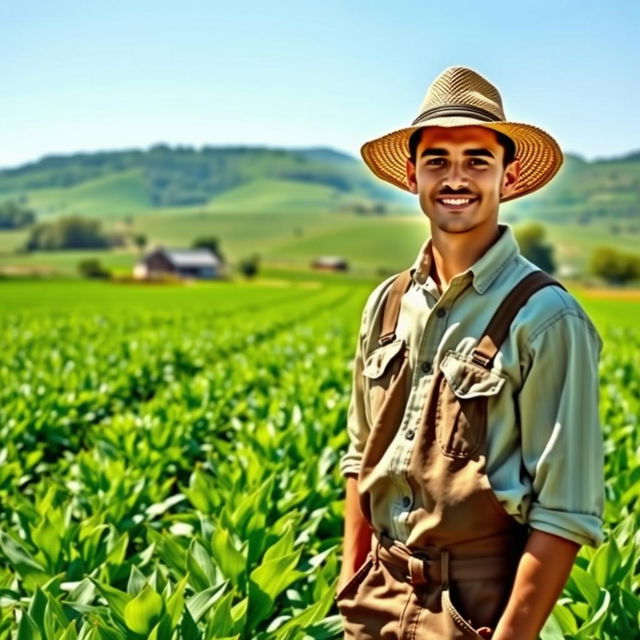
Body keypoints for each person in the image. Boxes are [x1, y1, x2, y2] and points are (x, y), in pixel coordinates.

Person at [335, 66, 605, 640]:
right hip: (374, 596)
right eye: (438, 160)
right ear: (413, 176)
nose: (456, 178)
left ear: (508, 177)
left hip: (478, 606)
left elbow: (566, 511)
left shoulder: (547, 317)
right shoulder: (387, 303)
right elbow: (360, 458)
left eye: (477, 160)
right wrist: (349, 585)